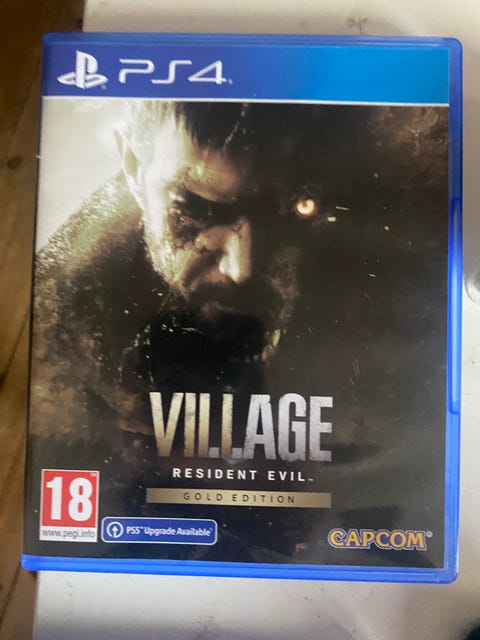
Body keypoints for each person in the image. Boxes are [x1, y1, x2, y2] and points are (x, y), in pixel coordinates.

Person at [26, 100, 450, 565]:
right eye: (195, 207)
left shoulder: (411, 216)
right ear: (133, 167)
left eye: (297, 207)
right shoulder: (66, 321)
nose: (241, 267)